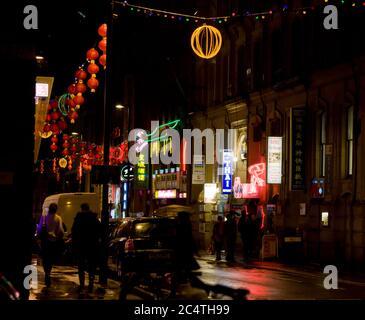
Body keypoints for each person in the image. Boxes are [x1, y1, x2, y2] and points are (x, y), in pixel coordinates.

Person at [71, 203, 101, 293]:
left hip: (81, 245)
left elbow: (74, 232)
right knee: (92, 264)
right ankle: (91, 280)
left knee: (81, 265)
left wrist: (75, 243)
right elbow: (100, 231)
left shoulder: (78, 219)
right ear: (88, 208)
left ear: (81, 208)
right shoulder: (94, 219)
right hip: (92, 245)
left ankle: (82, 283)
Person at [37, 203, 65, 288]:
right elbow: (60, 230)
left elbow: (39, 228)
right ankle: (48, 273)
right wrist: (58, 236)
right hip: (53, 242)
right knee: (51, 258)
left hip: (45, 241)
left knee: (45, 258)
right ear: (56, 209)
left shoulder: (43, 217)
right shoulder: (58, 218)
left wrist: (39, 237)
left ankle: (47, 273)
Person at [175, 211, 199, 282]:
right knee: (186, 264)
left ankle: (182, 277)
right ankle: (184, 276)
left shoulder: (178, 225)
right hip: (186, 247)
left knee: (181, 263)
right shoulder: (187, 224)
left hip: (180, 247)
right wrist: (195, 249)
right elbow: (190, 237)